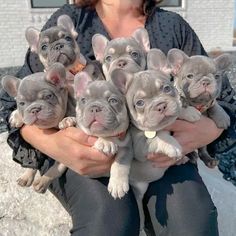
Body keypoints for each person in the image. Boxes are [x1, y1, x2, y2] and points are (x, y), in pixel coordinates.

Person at [0, 0, 235, 235]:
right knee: (109, 221)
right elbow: (16, 100)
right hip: (90, 154)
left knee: (192, 221)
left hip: (162, 150)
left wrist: (207, 129)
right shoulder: (70, 20)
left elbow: (221, 94)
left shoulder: (172, 25)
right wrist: (53, 144)